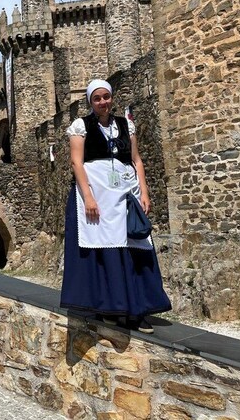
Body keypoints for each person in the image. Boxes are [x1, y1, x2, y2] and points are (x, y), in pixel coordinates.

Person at [60, 79, 171, 333]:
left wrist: (144, 191)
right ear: (90, 101)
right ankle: (110, 308)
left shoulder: (124, 125)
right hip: (97, 197)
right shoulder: (81, 126)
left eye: (106, 97)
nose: (102, 102)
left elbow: (136, 160)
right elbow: (76, 163)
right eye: (97, 98)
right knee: (104, 252)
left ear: (112, 98)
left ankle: (138, 309)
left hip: (125, 195)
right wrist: (87, 197)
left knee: (134, 247)